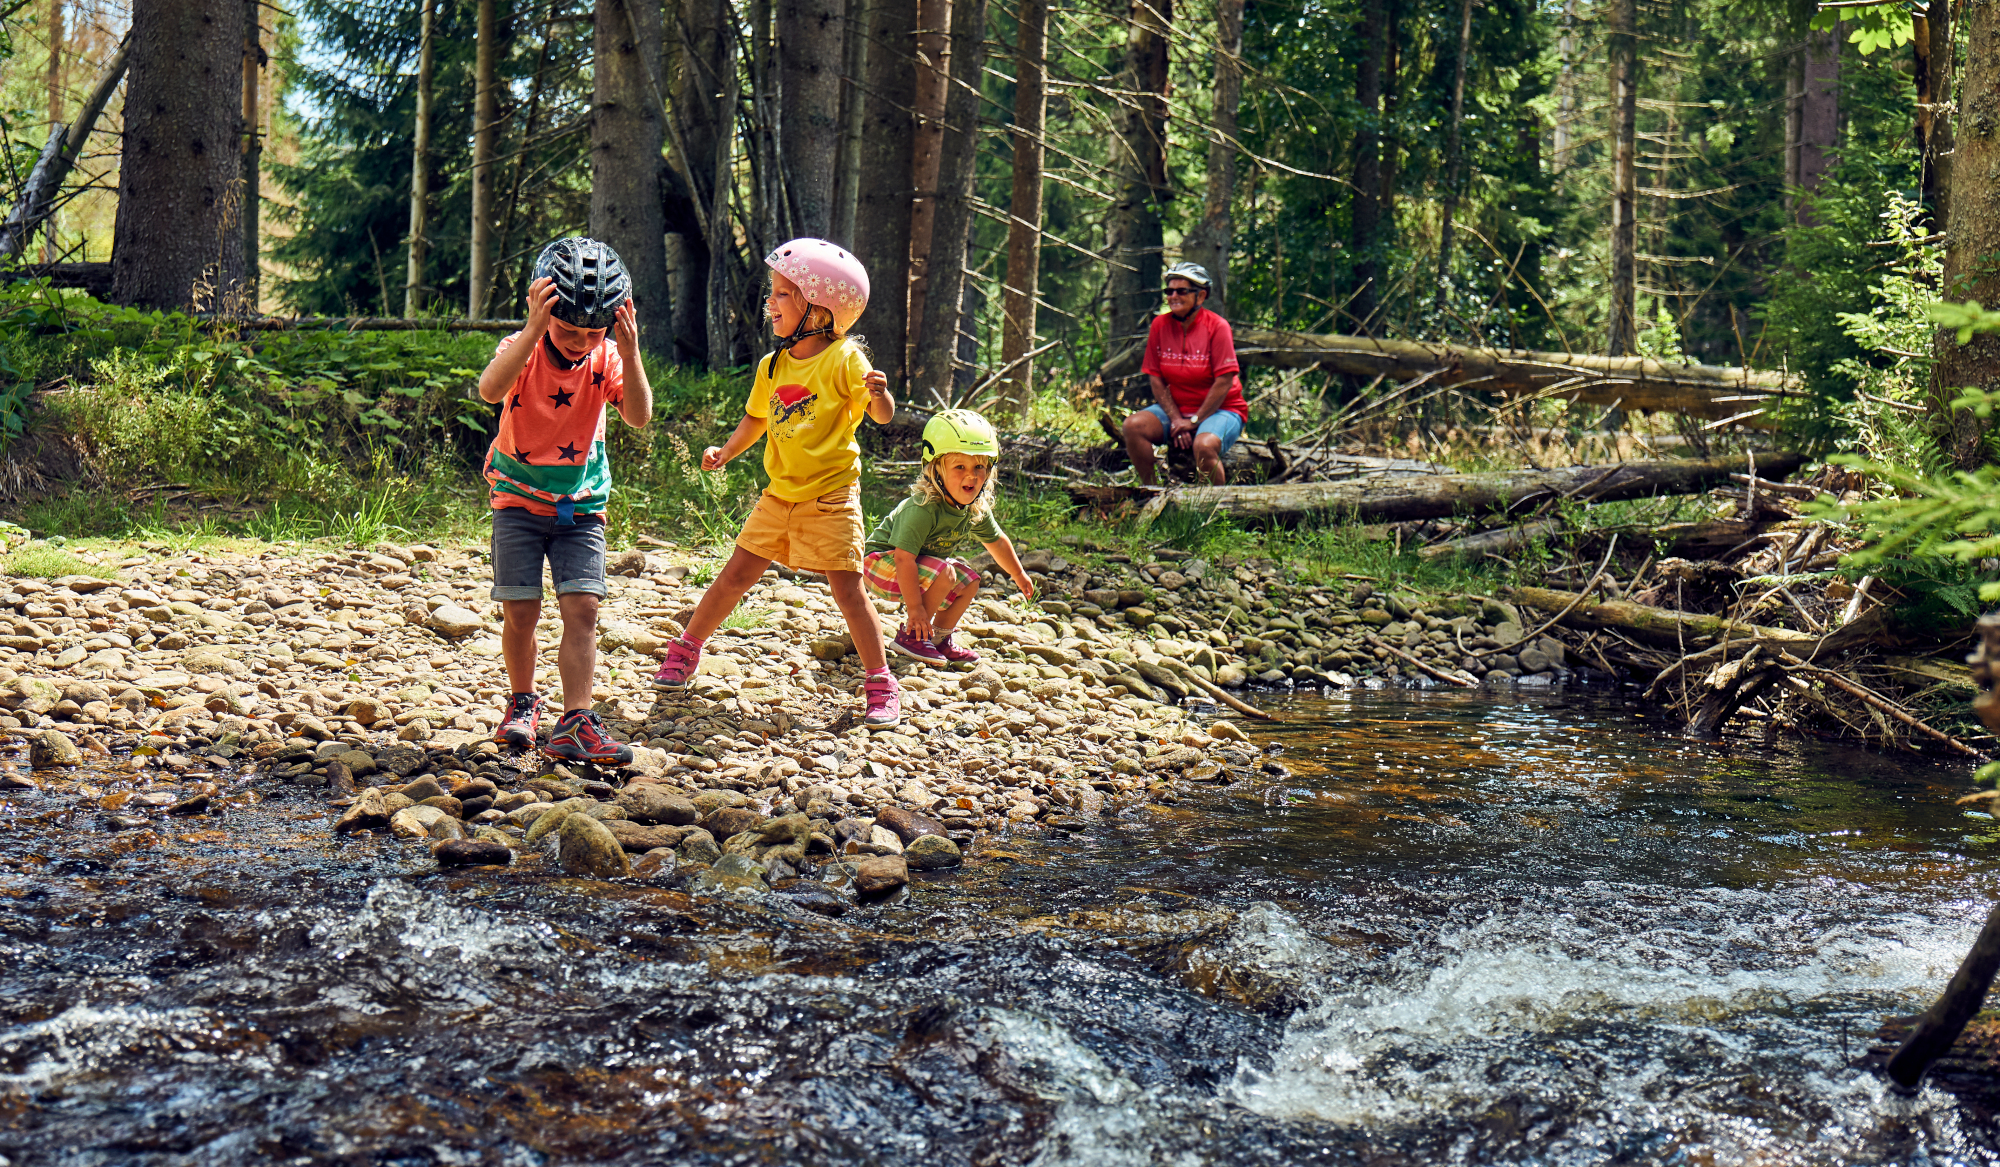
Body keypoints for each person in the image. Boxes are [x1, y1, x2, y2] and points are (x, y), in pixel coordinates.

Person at [651, 238, 906, 727]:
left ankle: (880, 681)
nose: (771, 302)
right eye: (773, 292)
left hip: (830, 497)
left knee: (848, 590)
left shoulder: (845, 359)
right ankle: (685, 647)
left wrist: (881, 396)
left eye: (784, 294)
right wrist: (726, 451)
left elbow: (878, 414)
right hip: (779, 495)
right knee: (735, 575)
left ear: (820, 309)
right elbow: (756, 419)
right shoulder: (773, 365)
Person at [476, 237, 653, 765]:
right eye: (568, 328)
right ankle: (523, 703)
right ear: (543, 310)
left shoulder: (606, 357)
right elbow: (489, 389)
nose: (579, 341)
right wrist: (532, 331)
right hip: (517, 502)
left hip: (582, 505)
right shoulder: (523, 349)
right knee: (521, 612)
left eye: (591, 331)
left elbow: (639, 416)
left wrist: (629, 350)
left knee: (583, 609)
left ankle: (576, 719)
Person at [860, 409, 1035, 664]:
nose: (971, 475)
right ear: (935, 470)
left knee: (969, 581)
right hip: (880, 565)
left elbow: (996, 541)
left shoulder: (973, 509)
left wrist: (1018, 574)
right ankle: (912, 635)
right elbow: (903, 559)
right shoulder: (924, 506)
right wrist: (916, 610)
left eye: (979, 466)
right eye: (960, 466)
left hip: (915, 568)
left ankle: (938, 638)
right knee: (947, 572)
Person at [1120, 261, 1249, 486]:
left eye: (1182, 291)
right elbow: (1156, 379)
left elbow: (1224, 381)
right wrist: (1177, 420)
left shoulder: (1217, 327)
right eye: (1169, 291)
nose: (1173, 296)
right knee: (1133, 426)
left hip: (1222, 409)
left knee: (1204, 446)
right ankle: (1152, 491)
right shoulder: (1159, 325)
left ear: (1200, 296)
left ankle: (1216, 509)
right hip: (1178, 411)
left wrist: (1195, 420)